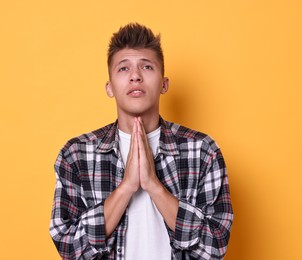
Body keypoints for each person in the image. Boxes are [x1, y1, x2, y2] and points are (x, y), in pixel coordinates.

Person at [49, 23, 233, 260]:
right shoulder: (76, 154)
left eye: (146, 66)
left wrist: (153, 185)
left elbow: (214, 246)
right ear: (110, 88)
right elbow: (68, 248)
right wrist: (126, 187)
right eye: (123, 69)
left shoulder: (202, 150)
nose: (135, 76)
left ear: (164, 84)